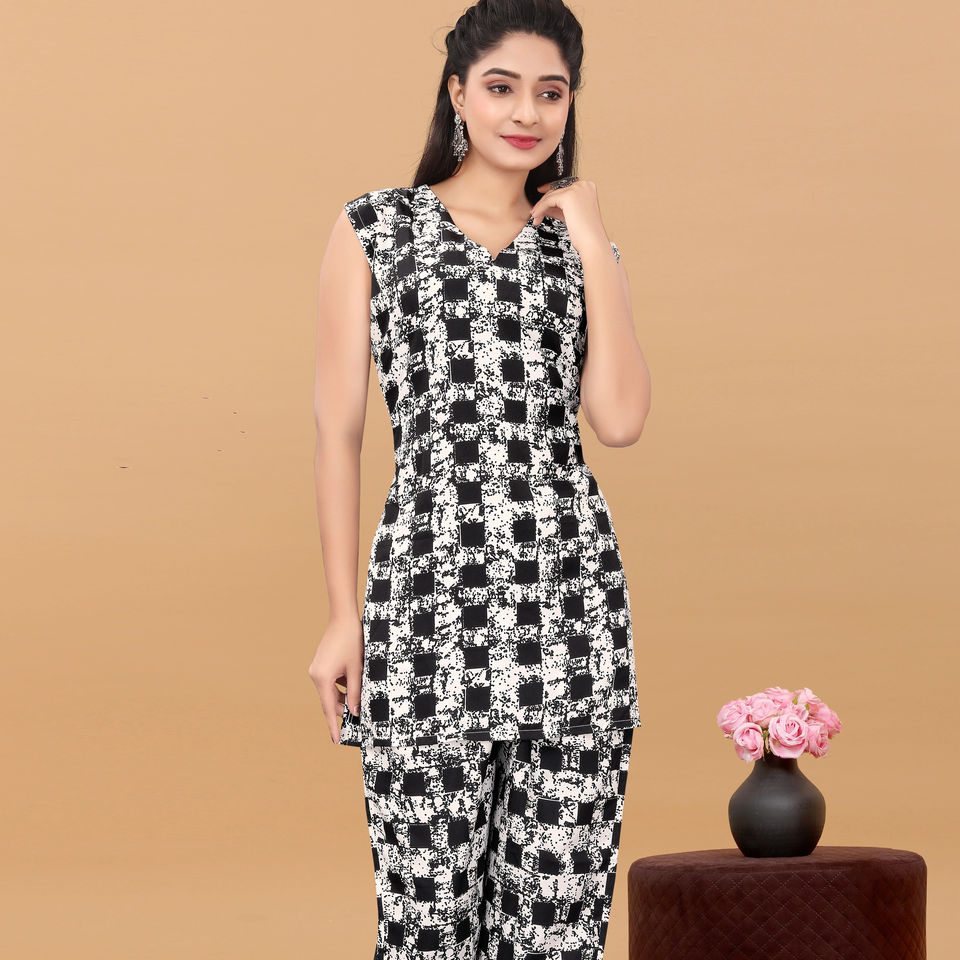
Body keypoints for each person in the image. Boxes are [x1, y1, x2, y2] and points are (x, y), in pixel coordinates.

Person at [309, 1, 651, 956]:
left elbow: (620, 421)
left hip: (571, 617)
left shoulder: (581, 249)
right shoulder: (376, 228)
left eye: (551, 92)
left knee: (557, 932)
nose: (526, 113)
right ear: (458, 92)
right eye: (502, 88)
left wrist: (591, 235)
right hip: (425, 611)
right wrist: (343, 618)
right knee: (427, 928)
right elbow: (339, 434)